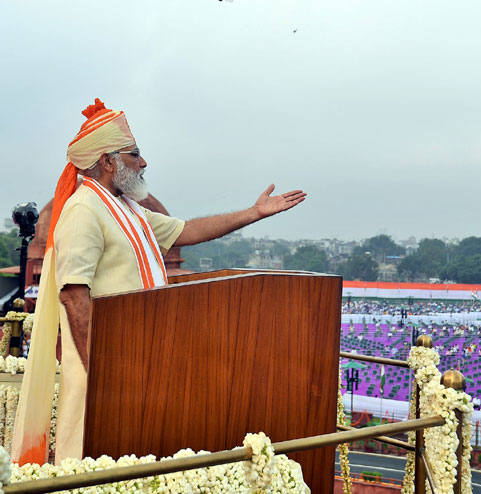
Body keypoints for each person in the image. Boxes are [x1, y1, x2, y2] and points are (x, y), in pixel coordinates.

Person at [12, 99, 306, 465]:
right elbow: (74, 295)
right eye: (135, 154)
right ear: (107, 161)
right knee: (95, 466)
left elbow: (187, 230)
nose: (144, 162)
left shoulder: (128, 210)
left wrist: (254, 212)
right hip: (106, 370)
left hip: (140, 360)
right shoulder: (84, 209)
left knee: (134, 463)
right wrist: (100, 368)